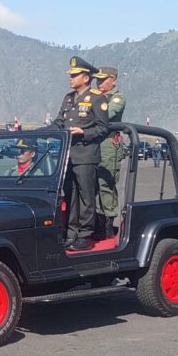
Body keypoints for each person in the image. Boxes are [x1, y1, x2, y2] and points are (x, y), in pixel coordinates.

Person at [53, 56, 109, 251]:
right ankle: (71, 233)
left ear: (86, 78)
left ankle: (85, 234)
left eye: (75, 75)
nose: (71, 78)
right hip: (68, 156)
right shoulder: (68, 98)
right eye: (71, 75)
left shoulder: (97, 98)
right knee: (70, 195)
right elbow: (59, 122)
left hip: (86, 155)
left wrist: (83, 132)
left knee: (86, 196)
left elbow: (103, 129)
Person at [93, 67, 126, 238]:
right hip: (92, 143)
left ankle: (107, 225)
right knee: (92, 185)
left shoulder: (117, 98)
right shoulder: (94, 97)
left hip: (107, 144)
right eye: (97, 80)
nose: (99, 83)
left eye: (103, 79)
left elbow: (105, 114)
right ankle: (96, 223)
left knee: (105, 183)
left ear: (113, 80)